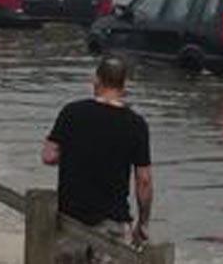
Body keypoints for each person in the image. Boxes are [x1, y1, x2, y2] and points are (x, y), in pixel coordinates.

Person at [42, 55, 153, 263]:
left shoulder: (71, 112)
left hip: (70, 218)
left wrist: (74, 151)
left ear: (96, 81)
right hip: (112, 221)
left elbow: (48, 156)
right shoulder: (136, 124)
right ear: (124, 85)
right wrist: (143, 223)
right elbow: (144, 181)